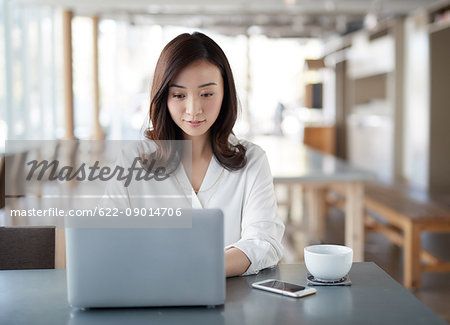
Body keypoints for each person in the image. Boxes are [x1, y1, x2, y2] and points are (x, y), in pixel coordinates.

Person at [100, 32, 284, 277]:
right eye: (179, 95)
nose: (194, 109)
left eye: (206, 94)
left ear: (225, 94)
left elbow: (264, 243)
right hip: (151, 303)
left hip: (230, 305)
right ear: (163, 97)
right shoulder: (133, 160)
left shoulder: (253, 160)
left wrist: (197, 268)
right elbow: (104, 236)